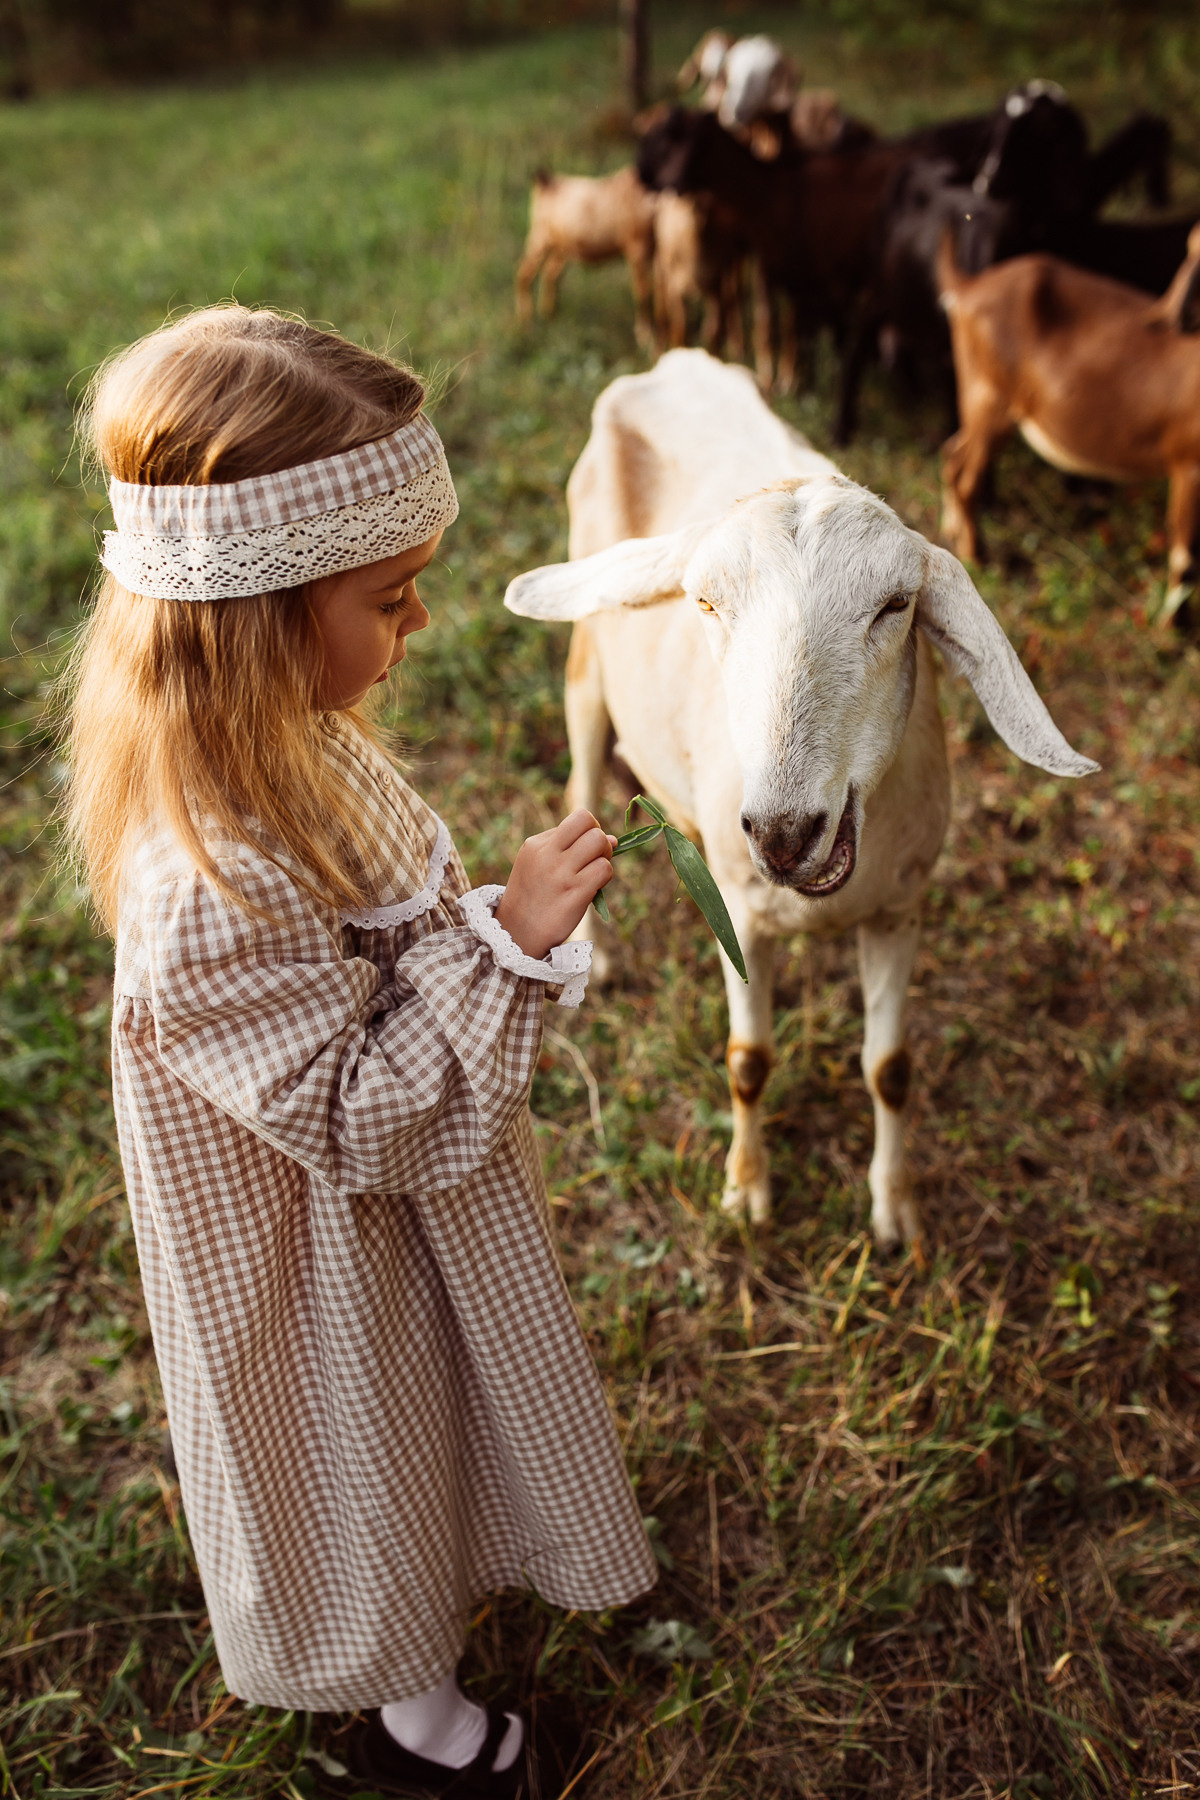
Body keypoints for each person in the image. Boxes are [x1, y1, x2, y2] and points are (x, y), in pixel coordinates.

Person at [65, 305, 657, 1797]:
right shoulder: (199, 881)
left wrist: (473, 931)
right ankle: (419, 1728)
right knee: (357, 1452)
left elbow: (373, 956)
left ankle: (433, 1649)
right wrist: (505, 942)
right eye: (392, 599)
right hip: (312, 1245)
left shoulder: (284, 744)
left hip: (375, 1211)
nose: (418, 629)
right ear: (260, 612)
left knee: (424, 1412)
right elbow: (370, 1116)